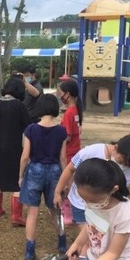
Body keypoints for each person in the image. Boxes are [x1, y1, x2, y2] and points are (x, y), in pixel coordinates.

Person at [53, 134, 130, 260]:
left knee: (94, 239)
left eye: (127, 163)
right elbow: (70, 168)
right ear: (115, 148)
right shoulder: (92, 152)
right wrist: (58, 191)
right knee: (87, 239)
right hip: (80, 203)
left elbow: (116, 197)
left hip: (102, 208)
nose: (122, 165)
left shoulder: (128, 174)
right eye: (121, 160)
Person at [19, 94, 67, 260]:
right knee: (56, 209)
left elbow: (25, 156)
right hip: (55, 171)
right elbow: (63, 158)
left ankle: (30, 249)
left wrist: (20, 175)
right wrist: (65, 180)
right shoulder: (61, 131)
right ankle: (62, 241)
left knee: (32, 212)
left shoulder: (31, 129)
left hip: (34, 170)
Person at [0, 76, 30, 225]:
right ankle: (16, 216)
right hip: (15, 146)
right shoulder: (19, 106)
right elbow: (28, 127)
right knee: (17, 180)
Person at [58, 79, 83, 225]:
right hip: (74, 152)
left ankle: (68, 213)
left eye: (60, 93)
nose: (59, 95)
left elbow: (67, 136)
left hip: (68, 154)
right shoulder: (75, 110)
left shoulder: (69, 113)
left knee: (67, 185)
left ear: (67, 94)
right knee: (72, 184)